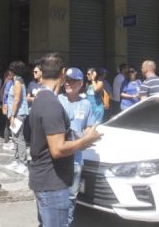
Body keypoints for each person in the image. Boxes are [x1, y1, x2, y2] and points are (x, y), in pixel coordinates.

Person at [29, 53, 101, 227]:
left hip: (47, 178)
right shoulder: (53, 103)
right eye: (66, 78)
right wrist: (85, 141)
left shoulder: (40, 99)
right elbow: (58, 149)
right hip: (52, 183)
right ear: (62, 73)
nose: (68, 82)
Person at [58, 67, 96, 226]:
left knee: (71, 198)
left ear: (80, 84)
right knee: (57, 196)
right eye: (66, 80)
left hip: (76, 159)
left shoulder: (86, 104)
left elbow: (90, 126)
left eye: (72, 81)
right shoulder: (58, 100)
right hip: (59, 156)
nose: (68, 83)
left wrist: (85, 136)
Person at [5, 60, 29, 175]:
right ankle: (16, 160)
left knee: (19, 138)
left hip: (18, 114)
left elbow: (17, 99)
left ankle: (23, 163)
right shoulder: (16, 80)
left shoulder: (18, 82)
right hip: (15, 114)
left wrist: (13, 115)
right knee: (15, 137)